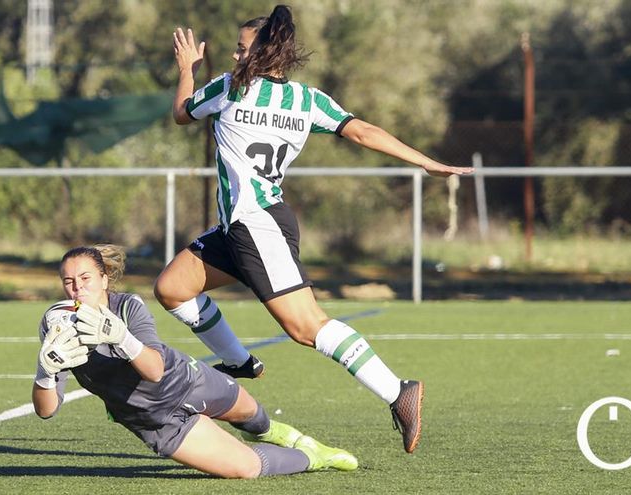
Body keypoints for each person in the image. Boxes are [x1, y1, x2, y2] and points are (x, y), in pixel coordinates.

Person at [156, 5, 474, 454]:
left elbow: (181, 112)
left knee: (307, 327)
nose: (234, 55)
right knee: (172, 288)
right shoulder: (308, 100)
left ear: (263, 52)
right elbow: (363, 131)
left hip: (257, 224)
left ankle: (397, 391)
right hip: (242, 225)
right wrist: (425, 162)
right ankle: (239, 363)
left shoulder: (230, 88)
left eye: (241, 49)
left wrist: (188, 68)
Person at [31, 244, 358, 479]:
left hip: (186, 380)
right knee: (246, 468)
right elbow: (47, 410)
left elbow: (155, 370)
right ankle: (312, 456)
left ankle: (275, 433)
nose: (77, 288)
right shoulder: (56, 325)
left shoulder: (128, 306)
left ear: (104, 280)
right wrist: (46, 372)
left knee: (251, 413)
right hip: (154, 420)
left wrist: (120, 336)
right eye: (69, 281)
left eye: (85, 278)